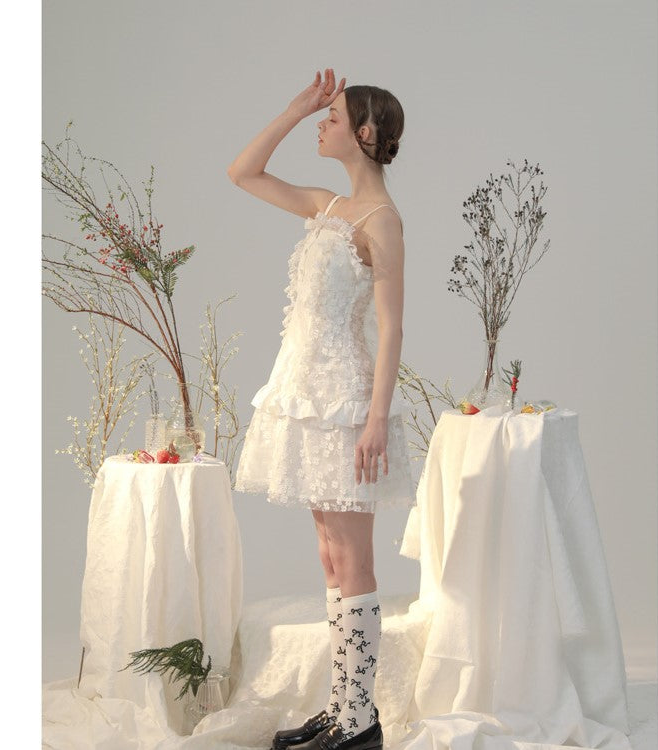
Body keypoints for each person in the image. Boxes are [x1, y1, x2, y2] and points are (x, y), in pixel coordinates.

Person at [228, 68, 415, 750]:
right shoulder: (327, 206)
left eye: (331, 117)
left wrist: (375, 419)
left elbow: (391, 329)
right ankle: (341, 706)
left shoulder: (381, 222)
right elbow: (243, 173)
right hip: (306, 397)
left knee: (353, 558)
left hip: (345, 403)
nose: (321, 125)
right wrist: (293, 108)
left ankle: (360, 720)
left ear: (363, 132)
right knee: (331, 556)